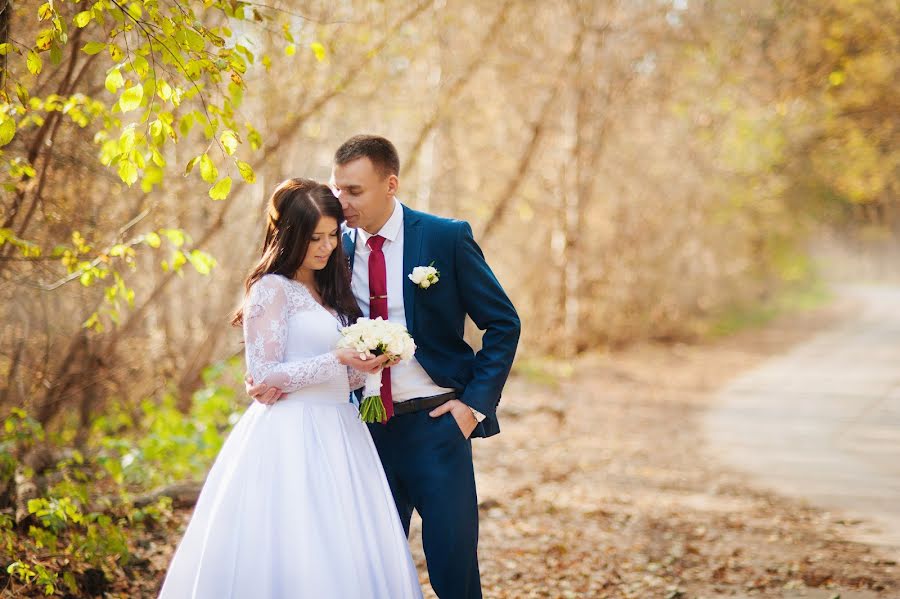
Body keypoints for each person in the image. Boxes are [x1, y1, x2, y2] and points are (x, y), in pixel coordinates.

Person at [249, 136, 521, 599]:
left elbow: (503, 323)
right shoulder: (333, 249)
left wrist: (472, 407)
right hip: (361, 433)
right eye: (337, 190)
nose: (341, 202)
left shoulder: (443, 237)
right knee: (370, 572)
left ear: (390, 184)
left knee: (454, 566)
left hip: (438, 426)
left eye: (353, 191)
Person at [159, 178, 423, 598]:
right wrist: (336, 358)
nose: (326, 247)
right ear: (289, 236)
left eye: (333, 236)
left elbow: (344, 378)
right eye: (315, 237)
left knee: (344, 547)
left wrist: (367, 365)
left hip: (342, 431)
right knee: (293, 543)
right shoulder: (270, 289)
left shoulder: (330, 290)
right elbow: (263, 378)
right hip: (289, 434)